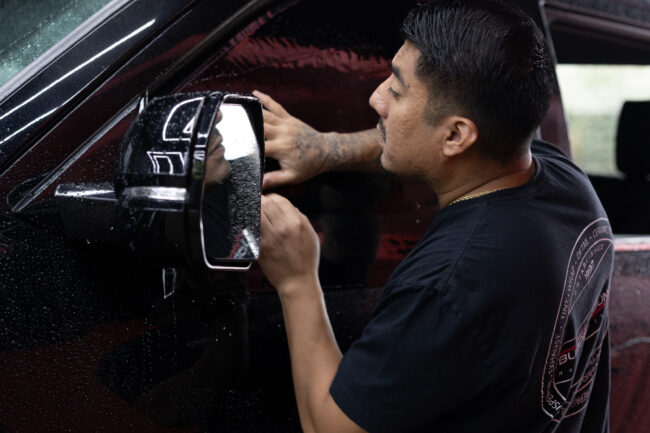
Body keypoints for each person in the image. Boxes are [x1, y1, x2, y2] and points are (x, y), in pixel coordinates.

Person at [254, 1, 614, 432]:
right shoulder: (562, 181)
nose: (376, 98)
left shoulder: (450, 284)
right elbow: (431, 144)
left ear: (457, 135)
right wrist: (326, 149)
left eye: (397, 90)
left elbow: (332, 427)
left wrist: (296, 280)